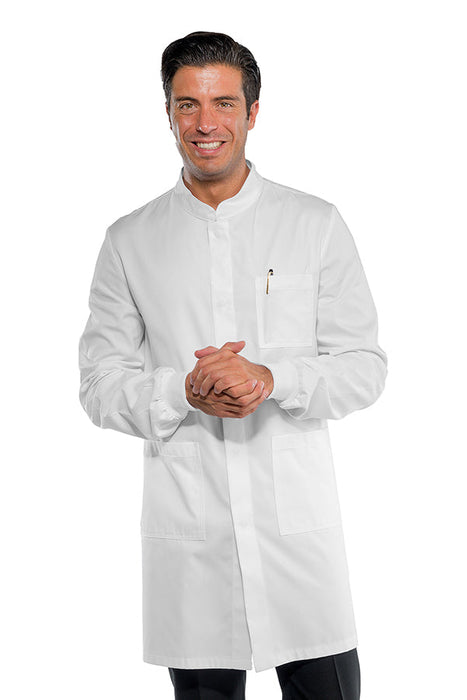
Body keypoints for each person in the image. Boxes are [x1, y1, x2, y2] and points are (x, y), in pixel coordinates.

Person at [78, 30, 388, 700]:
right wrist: (183, 391)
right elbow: (99, 385)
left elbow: (363, 366)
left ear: (253, 111)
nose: (205, 122)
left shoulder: (314, 224)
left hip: (297, 539)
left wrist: (273, 379)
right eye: (187, 104)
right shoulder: (129, 241)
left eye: (223, 102)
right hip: (193, 544)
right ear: (167, 113)